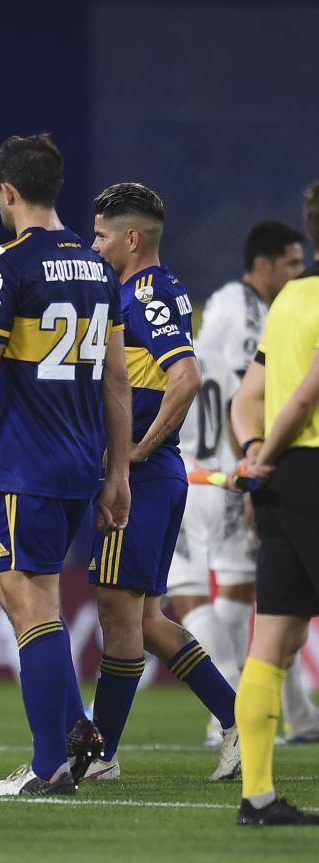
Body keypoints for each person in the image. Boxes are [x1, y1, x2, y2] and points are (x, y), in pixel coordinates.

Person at [0, 134, 132, 796]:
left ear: (5, 190)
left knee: (26, 596)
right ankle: (73, 738)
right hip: (80, 464)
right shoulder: (99, 269)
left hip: (26, 464)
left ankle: (50, 764)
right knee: (36, 597)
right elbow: (117, 382)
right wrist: (118, 472)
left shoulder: (8, 265)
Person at [84, 182, 239, 783]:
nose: (94, 247)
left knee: (121, 618)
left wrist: (133, 454)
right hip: (153, 476)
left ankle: (101, 755)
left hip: (144, 478)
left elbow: (187, 376)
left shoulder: (143, 292)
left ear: (130, 238)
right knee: (146, 621)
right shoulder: (144, 291)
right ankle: (236, 723)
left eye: (100, 236)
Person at [169, 220, 316, 745]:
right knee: (236, 594)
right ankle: (246, 711)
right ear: (265, 264)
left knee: (203, 594)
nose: (299, 273)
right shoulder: (250, 309)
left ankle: (229, 711)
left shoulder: (227, 308)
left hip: (212, 467)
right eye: (293, 264)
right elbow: (245, 395)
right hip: (222, 465)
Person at [228, 182, 319, 826]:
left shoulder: (290, 298)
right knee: (274, 638)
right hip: (310, 463)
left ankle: (257, 797)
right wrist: (267, 452)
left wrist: (258, 453)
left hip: (285, 481)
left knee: (275, 640)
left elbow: (245, 397)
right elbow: (307, 397)